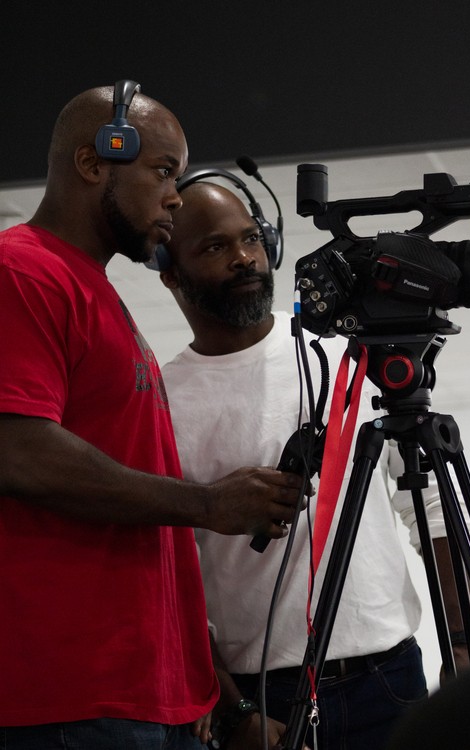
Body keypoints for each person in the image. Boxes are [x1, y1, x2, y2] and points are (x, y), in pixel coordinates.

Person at [0, 85, 305, 750]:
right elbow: (17, 453)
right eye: (163, 172)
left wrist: (201, 687)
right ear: (92, 162)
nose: (175, 196)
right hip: (75, 695)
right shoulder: (20, 270)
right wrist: (206, 504)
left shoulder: (92, 289)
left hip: (141, 692)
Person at [159, 179, 470, 750]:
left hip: (390, 679)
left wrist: (463, 640)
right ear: (170, 273)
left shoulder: (347, 352)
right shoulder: (160, 402)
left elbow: (428, 504)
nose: (244, 258)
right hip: (262, 701)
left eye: (252, 239)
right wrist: (232, 710)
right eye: (214, 247)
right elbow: (163, 577)